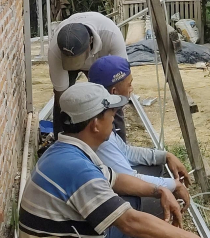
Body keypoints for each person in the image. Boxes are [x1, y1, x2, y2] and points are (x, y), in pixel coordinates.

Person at [19, 82, 198, 238]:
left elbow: (118, 179)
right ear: (95, 124)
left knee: (137, 201)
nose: (114, 119)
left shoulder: (66, 151)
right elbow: (129, 222)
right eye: (111, 113)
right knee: (143, 220)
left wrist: (160, 190)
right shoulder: (76, 168)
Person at [87, 55, 193, 238]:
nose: (131, 89)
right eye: (129, 85)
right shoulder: (99, 136)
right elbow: (127, 179)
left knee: (160, 170)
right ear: (114, 91)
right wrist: (171, 186)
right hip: (99, 223)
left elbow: (126, 151)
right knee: (153, 200)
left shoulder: (98, 118)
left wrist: (165, 155)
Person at [49, 12, 129, 140]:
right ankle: (60, 142)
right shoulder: (55, 49)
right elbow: (61, 95)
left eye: (77, 59)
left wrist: (112, 110)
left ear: (90, 42)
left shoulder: (111, 35)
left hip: (100, 60)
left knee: (112, 97)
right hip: (66, 60)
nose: (76, 64)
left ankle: (119, 142)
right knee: (64, 103)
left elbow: (122, 78)